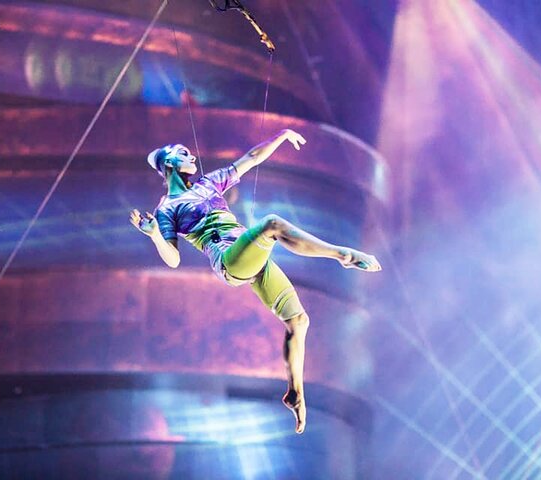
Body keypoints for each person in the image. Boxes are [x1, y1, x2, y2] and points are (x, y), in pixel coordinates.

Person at [130, 129, 381, 434]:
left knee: (298, 321)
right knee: (272, 224)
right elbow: (173, 259)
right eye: (183, 152)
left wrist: (281, 136)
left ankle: (295, 392)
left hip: (253, 258)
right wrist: (155, 234)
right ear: (168, 163)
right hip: (230, 260)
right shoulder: (167, 209)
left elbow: (250, 159)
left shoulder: (209, 183)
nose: (191, 155)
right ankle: (343, 255)